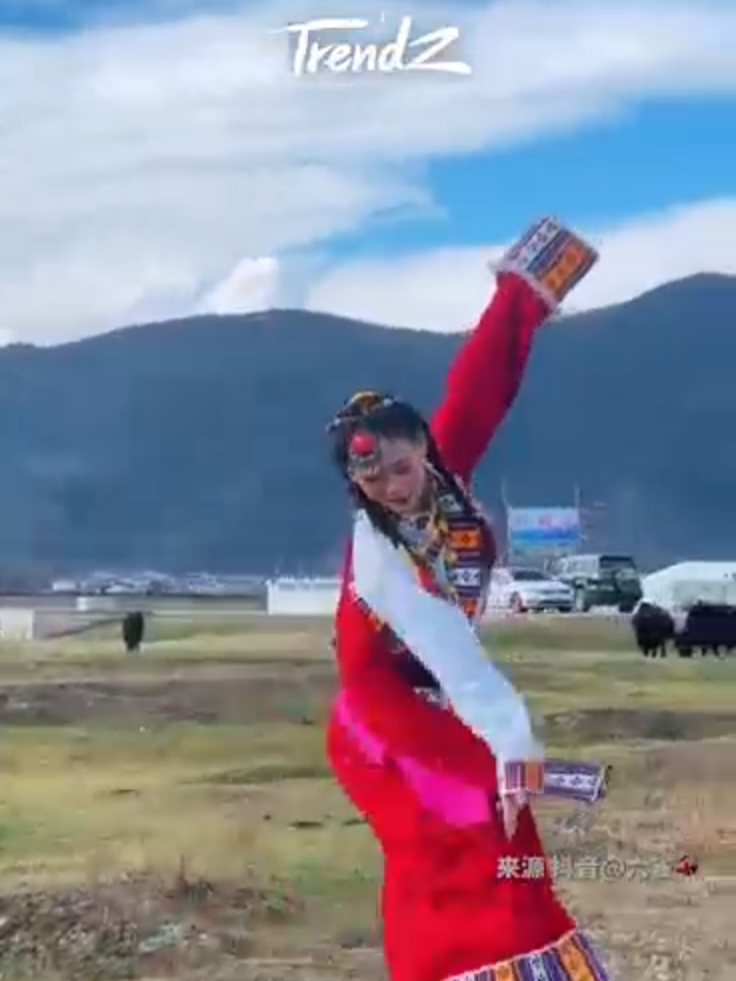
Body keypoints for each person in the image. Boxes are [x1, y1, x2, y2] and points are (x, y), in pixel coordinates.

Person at [326, 218, 615, 981]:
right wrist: (514, 745)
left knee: (502, 835)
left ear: (420, 442)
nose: (394, 483)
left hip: (433, 703)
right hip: (377, 715)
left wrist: (523, 293)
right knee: (475, 819)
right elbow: (457, 659)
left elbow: (481, 383)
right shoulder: (380, 558)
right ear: (358, 488)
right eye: (373, 479)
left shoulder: (442, 471)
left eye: (399, 462)